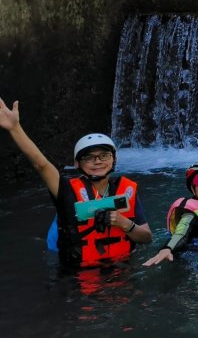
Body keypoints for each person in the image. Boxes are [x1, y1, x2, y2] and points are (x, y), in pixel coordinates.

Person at [0, 97, 153, 268]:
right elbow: (40, 164)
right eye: (88, 157)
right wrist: (15, 128)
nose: (98, 161)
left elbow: (146, 237)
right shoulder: (65, 190)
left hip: (121, 270)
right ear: (77, 163)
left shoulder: (126, 191)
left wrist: (123, 223)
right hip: (77, 277)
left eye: (104, 155)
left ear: (114, 159)